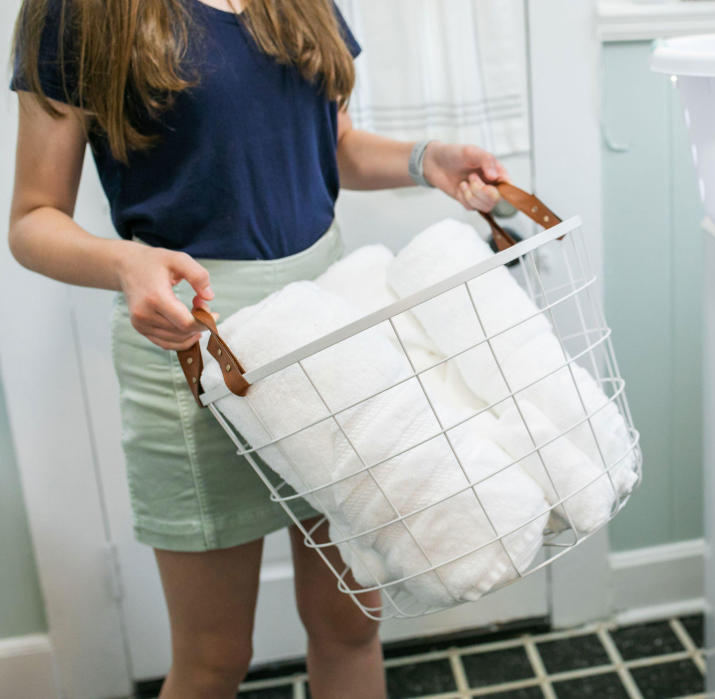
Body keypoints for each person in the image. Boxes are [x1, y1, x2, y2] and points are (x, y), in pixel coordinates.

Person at [8, 1, 510, 696]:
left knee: (351, 622)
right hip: (196, 348)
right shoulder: (79, 11)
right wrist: (126, 264)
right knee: (215, 659)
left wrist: (428, 160)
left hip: (332, 338)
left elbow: (331, 148)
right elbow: (33, 219)